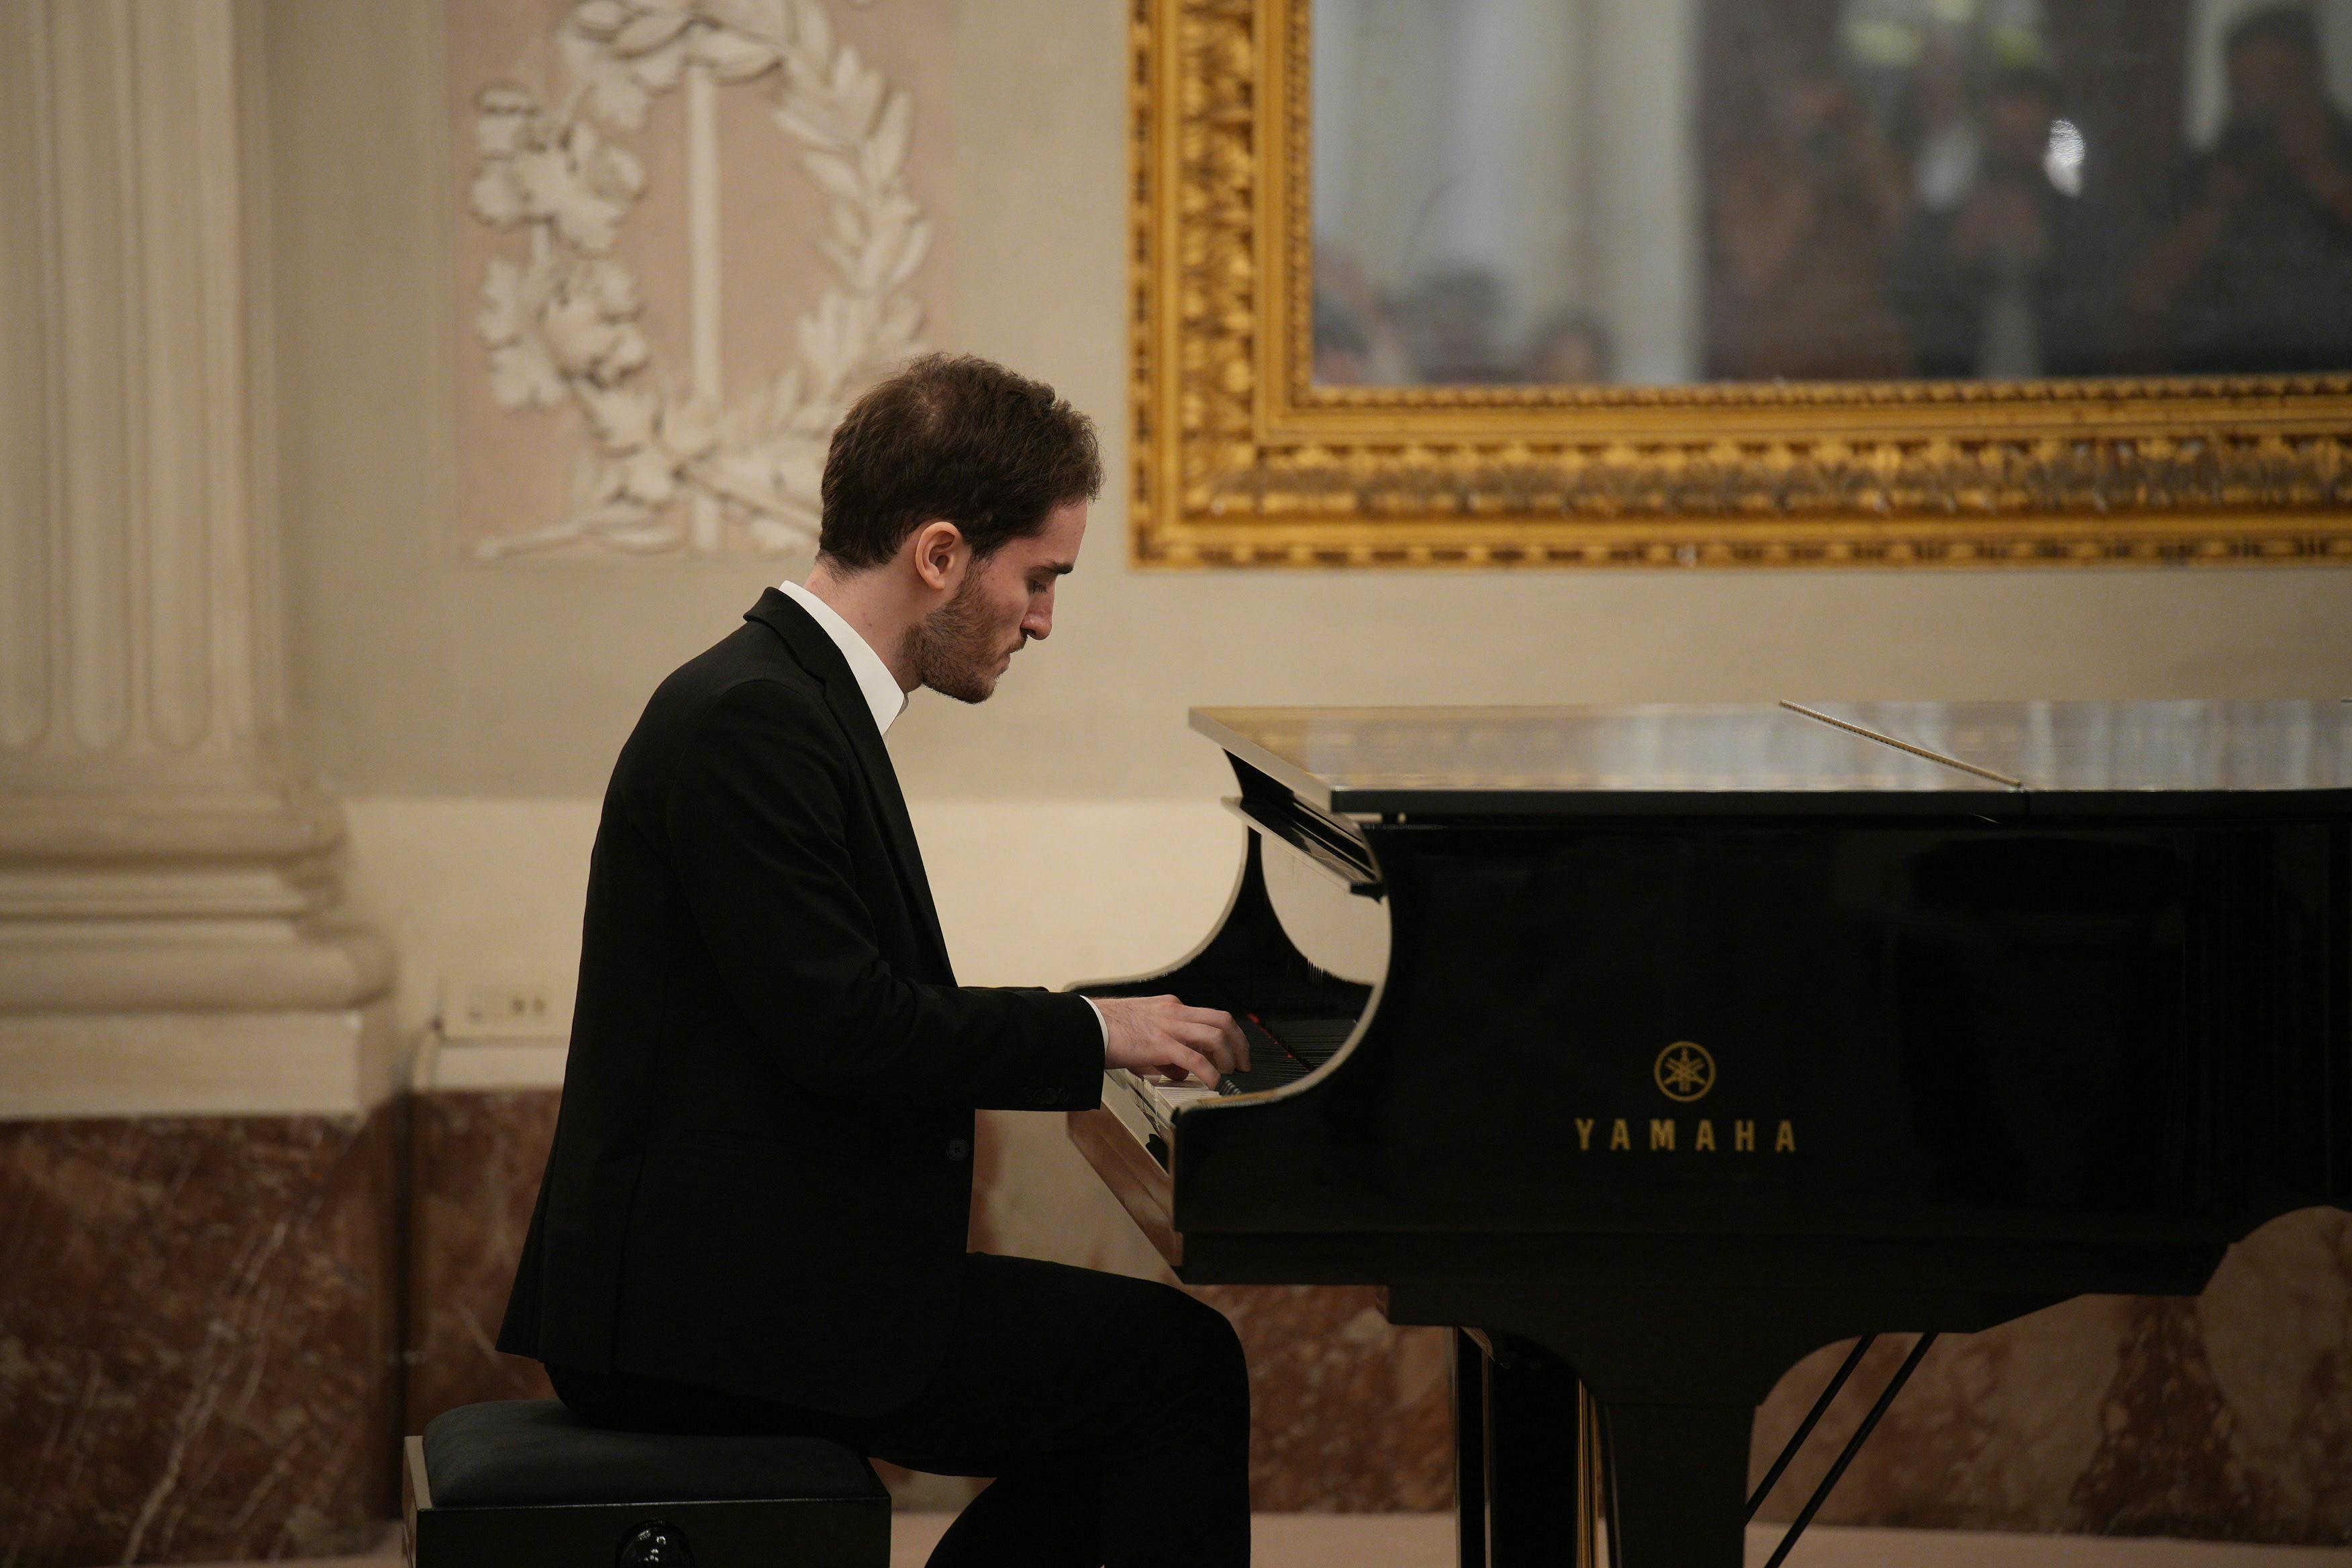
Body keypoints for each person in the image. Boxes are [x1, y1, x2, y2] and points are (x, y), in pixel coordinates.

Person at [497, 354, 1255, 1567]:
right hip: (703, 1317)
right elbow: (847, 1028)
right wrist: (1095, 1032)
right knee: (1174, 1370)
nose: (1046, 620)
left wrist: (1084, 1027)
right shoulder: (753, 718)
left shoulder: (789, 701)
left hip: (750, 1282)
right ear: (941, 555)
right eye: (1040, 578)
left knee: (1142, 1377)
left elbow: (841, 1011)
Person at [2126, 3, 2352, 373]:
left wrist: (2322, 173)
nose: (2264, 103)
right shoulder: (2203, 176)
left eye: (2280, 82)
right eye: (2246, 88)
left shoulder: (2342, 158)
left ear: (2315, 74)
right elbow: (2141, 302)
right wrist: (2216, 210)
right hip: (2221, 388)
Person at [1888, 69, 2122, 379]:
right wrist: (1958, 254)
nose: (2014, 156)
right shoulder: (1938, 218)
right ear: (1982, 139)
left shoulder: (2082, 223)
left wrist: (2044, 254)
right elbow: (1908, 316)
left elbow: (2103, 325)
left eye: (2029, 140)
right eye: (2004, 139)